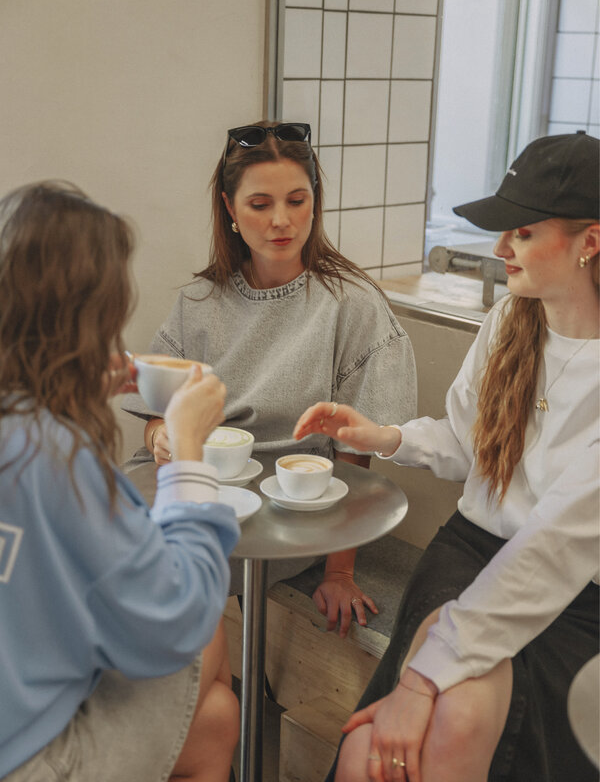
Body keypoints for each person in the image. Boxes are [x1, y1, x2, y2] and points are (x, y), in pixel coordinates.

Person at [293, 131, 600, 782]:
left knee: (452, 726)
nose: (500, 248)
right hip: (471, 552)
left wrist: (423, 680)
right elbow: (470, 443)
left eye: (521, 232)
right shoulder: (510, 322)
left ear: (589, 243)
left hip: (576, 595)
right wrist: (384, 438)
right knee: (365, 757)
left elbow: (557, 548)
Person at [122, 120, 416, 637]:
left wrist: (340, 572)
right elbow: (153, 414)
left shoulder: (352, 305)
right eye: (260, 205)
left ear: (315, 201)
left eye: (297, 200)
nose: (282, 221)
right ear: (230, 208)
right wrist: (161, 436)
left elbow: (356, 454)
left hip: (287, 510)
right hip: (196, 485)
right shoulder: (199, 301)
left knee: (160, 581)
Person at [0, 182, 241, 782]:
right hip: (27, 756)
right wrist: (187, 444)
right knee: (207, 630)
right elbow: (173, 619)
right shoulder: (48, 452)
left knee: (214, 718)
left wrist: (72, 381)